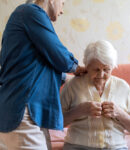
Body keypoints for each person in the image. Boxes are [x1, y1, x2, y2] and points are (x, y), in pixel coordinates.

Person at [0, 0, 86, 149]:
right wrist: (77, 68)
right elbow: (58, 55)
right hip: (23, 112)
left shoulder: (25, 18)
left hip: (24, 113)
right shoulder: (30, 12)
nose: (62, 11)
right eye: (63, 3)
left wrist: (71, 78)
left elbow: (37, 69)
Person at [60, 40, 130, 150]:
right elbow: (56, 122)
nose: (101, 75)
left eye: (106, 69)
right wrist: (79, 110)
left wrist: (119, 113)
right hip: (77, 146)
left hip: (116, 147)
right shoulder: (72, 85)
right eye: (96, 69)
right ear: (87, 66)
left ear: (112, 67)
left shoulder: (123, 86)